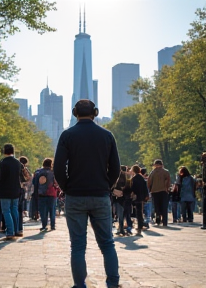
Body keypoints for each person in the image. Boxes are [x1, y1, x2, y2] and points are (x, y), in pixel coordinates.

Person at [54, 99, 121, 288]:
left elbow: (58, 167)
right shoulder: (107, 135)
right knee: (107, 243)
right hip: (100, 195)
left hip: (75, 196)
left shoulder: (67, 135)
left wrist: (67, 187)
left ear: (75, 112)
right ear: (95, 113)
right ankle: (113, 283)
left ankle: (79, 284)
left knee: (77, 245)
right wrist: (106, 186)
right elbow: (115, 168)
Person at [0, 144, 22, 240]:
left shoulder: (1, 163)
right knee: (14, 209)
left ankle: (10, 232)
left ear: (4, 151)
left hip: (5, 190)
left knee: (6, 211)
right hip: (16, 189)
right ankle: (17, 230)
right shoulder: (18, 163)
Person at [147, 159, 171, 226]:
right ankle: (165, 221)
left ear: (155, 165)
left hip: (155, 192)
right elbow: (168, 181)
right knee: (164, 207)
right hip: (164, 191)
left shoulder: (153, 172)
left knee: (157, 207)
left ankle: (158, 220)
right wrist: (167, 188)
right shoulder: (166, 172)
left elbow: (149, 182)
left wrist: (150, 189)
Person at [36, 158, 57, 231]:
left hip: (41, 194)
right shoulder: (53, 172)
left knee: (43, 211)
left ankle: (44, 225)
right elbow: (56, 183)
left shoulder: (38, 172)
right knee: (52, 211)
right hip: (52, 193)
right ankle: (53, 226)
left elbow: (34, 183)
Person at [130, 165, 149, 237]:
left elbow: (133, 188)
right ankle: (141, 225)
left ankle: (140, 227)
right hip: (141, 197)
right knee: (140, 212)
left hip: (136, 197)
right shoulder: (141, 178)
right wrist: (146, 196)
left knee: (138, 213)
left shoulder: (134, 178)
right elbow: (145, 188)